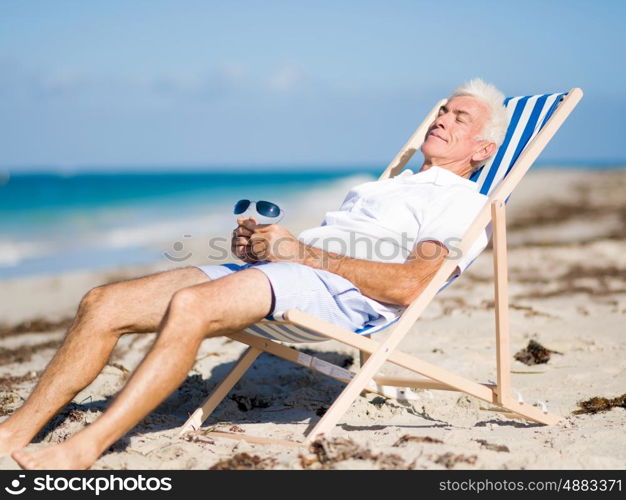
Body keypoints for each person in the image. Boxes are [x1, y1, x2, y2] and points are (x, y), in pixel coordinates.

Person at [3, 78, 508, 469]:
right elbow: (318, 250)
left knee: (192, 306)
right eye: (442, 109)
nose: (441, 119)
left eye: (459, 117)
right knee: (102, 302)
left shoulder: (462, 202)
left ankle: (88, 447)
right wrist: (264, 249)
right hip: (298, 271)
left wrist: (302, 254)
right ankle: (17, 431)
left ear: (482, 150)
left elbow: (407, 285)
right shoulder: (389, 186)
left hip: (338, 291)